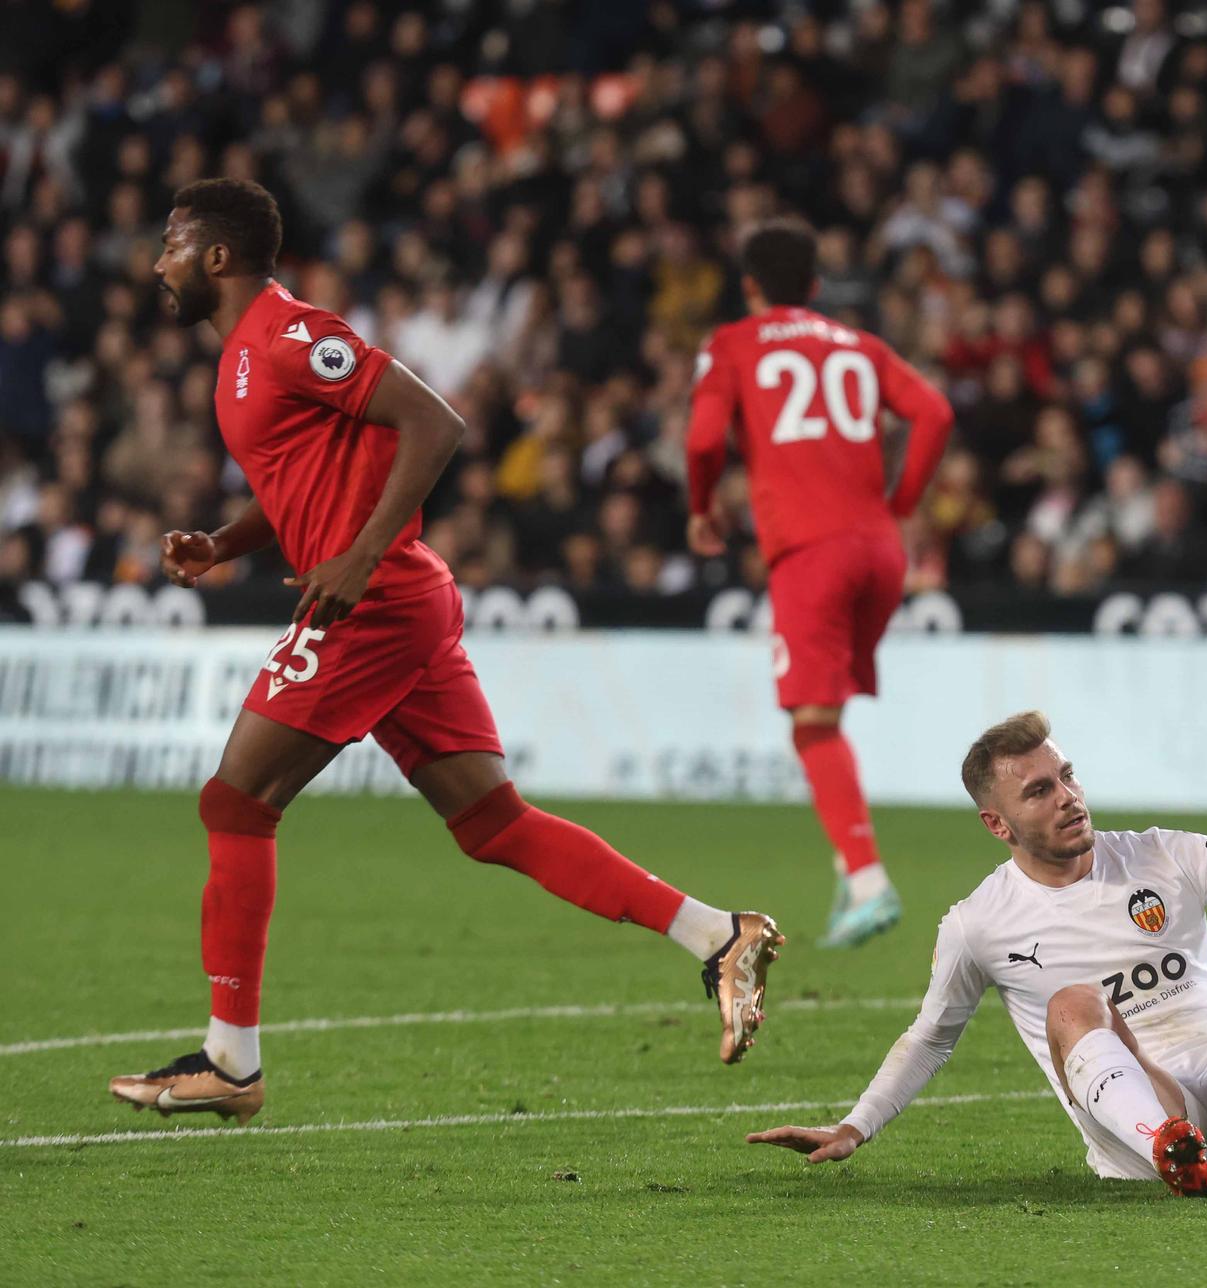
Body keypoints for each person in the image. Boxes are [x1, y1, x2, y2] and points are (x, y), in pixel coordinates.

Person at [109, 180, 782, 1128]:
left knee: (237, 801)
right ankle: (718, 934)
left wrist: (360, 552)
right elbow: (305, 479)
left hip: (374, 600)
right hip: (395, 598)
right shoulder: (241, 362)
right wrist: (225, 544)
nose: (156, 263)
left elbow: (436, 423)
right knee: (493, 825)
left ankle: (230, 1061)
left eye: (172, 244)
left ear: (216, 257)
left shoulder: (292, 335)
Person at [743, 711, 1207, 1196]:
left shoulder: (1163, 852)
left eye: (1067, 776)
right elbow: (930, 1038)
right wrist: (855, 1127)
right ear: (999, 825)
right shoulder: (978, 924)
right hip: (1152, 1125)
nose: (1068, 797)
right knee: (1075, 1003)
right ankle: (1170, 1149)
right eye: (1039, 791)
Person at [686, 217, 954, 948]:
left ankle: (866, 879)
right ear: (813, 286)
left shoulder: (733, 344)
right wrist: (900, 507)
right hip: (879, 552)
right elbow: (933, 411)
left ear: (749, 287)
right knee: (825, 718)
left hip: (811, 552)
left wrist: (702, 506)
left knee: (811, 724)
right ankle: (850, 864)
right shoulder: (860, 346)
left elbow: (706, 439)